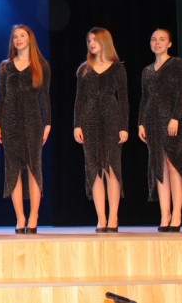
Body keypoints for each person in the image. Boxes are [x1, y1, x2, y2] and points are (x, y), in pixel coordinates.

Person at [0, 25, 51, 234]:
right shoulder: (6, 66)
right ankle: (20, 217)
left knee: (34, 168)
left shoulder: (41, 65)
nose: (18, 39)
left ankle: (34, 216)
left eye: (22, 36)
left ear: (30, 39)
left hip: (33, 121)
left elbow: (44, 97)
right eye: (15, 37)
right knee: (13, 170)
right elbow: (1, 96)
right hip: (9, 121)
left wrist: (48, 123)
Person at [73, 27, 128, 233]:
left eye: (95, 40)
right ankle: (101, 218)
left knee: (111, 167)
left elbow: (124, 99)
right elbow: (79, 99)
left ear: (105, 41)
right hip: (89, 120)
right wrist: (77, 124)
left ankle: (113, 216)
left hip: (112, 118)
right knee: (94, 169)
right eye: (89, 40)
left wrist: (124, 126)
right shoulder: (84, 69)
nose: (91, 43)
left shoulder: (117, 68)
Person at [138, 29, 182, 232]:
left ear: (169, 44)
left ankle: (177, 213)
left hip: (172, 121)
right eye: (153, 39)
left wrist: (175, 117)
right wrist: (141, 123)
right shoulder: (147, 71)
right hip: (151, 122)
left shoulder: (177, 64)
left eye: (161, 39)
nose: (157, 42)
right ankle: (164, 214)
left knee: (173, 164)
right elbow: (144, 98)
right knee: (159, 166)